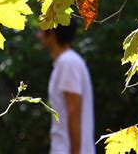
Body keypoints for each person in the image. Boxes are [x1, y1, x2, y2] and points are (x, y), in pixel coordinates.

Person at [37, 20, 95, 154]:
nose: (38, 36)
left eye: (41, 31)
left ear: (51, 33)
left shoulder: (67, 63)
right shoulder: (66, 62)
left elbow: (73, 109)